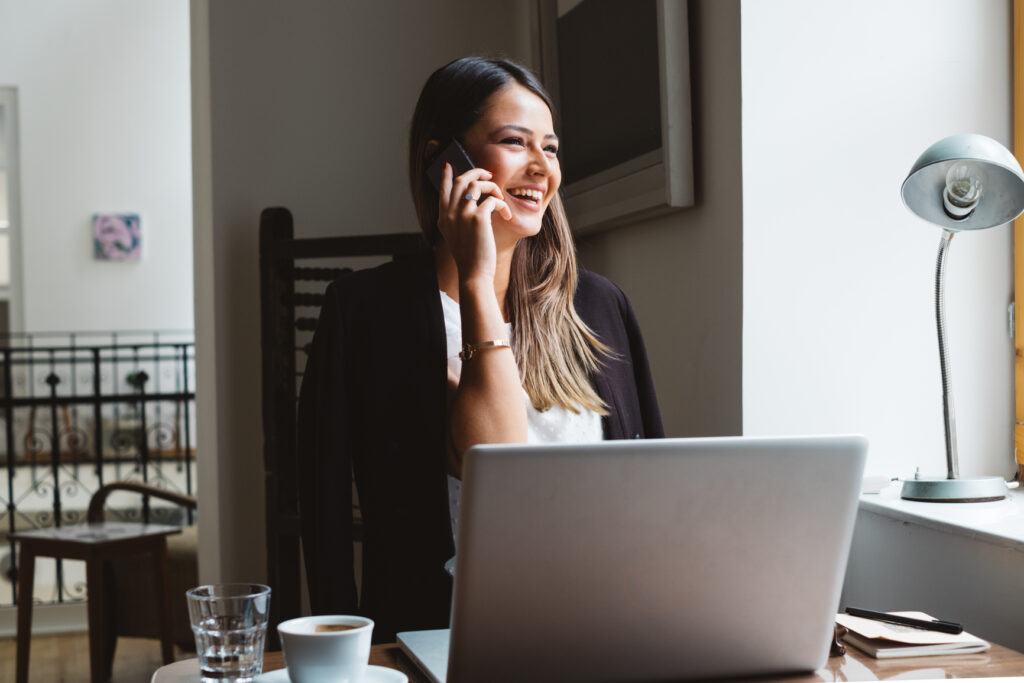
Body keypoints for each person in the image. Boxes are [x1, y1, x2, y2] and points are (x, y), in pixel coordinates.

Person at [296, 56, 663, 643]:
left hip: (601, 630)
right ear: (444, 160)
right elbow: (327, 515)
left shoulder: (598, 307)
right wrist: (476, 278)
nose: (541, 167)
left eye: (551, 147)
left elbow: (652, 494)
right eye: (515, 142)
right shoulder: (363, 312)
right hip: (434, 640)